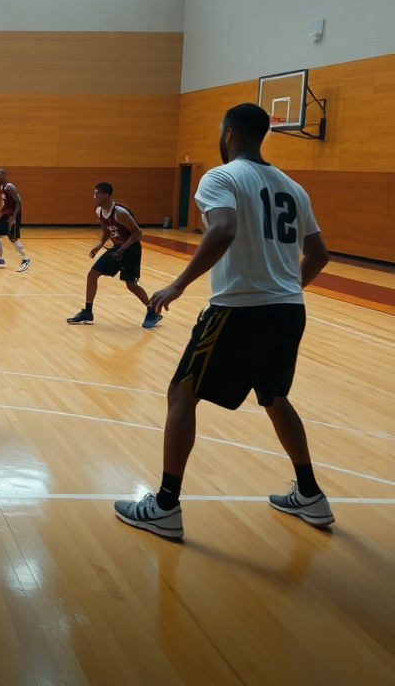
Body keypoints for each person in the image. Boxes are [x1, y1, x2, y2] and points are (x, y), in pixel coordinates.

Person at [114, 103, 333, 540]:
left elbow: (224, 229)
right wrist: (283, 292)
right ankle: (310, 494)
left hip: (239, 309)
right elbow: (319, 256)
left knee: (181, 394)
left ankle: (165, 505)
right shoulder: (293, 187)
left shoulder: (222, 176)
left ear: (228, 132)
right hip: (289, 309)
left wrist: (178, 284)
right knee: (274, 397)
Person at [67, 182, 161, 328]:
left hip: (130, 248)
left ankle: (153, 311)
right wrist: (99, 246)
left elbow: (138, 233)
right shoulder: (99, 211)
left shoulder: (120, 213)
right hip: (118, 248)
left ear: (106, 195)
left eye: (96, 193)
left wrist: (122, 249)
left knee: (131, 284)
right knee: (92, 274)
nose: (94, 195)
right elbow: (107, 231)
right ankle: (87, 311)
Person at [0, 168, 31, 271]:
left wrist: (13, 217)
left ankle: (26, 259)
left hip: (13, 214)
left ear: (2, 176)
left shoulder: (9, 187)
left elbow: (19, 202)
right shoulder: (1, 187)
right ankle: (0, 258)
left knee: (12, 237)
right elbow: (5, 204)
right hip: (7, 213)